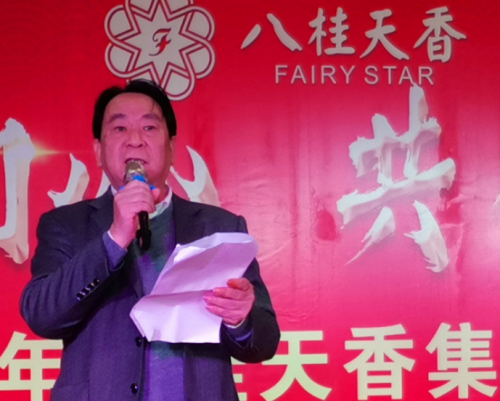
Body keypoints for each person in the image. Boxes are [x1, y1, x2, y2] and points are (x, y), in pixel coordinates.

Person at [20, 80, 280, 401]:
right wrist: (114, 238)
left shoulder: (220, 227)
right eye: (119, 128)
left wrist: (240, 317)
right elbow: (42, 316)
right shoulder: (66, 225)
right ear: (98, 151)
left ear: (171, 148)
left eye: (149, 127)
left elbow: (265, 342)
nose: (135, 140)